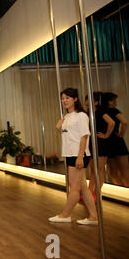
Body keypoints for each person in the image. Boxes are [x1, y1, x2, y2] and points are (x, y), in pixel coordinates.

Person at [49, 88, 98, 225]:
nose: (64, 100)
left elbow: (84, 137)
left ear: (75, 99)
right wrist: (59, 128)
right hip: (70, 154)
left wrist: (80, 156)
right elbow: (70, 137)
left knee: (74, 187)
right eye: (63, 98)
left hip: (78, 154)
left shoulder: (81, 116)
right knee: (82, 186)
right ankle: (93, 217)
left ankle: (65, 215)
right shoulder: (67, 117)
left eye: (67, 98)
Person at [85, 92, 115, 202]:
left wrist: (106, 135)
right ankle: (89, 193)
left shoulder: (101, 112)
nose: (87, 102)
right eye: (86, 99)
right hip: (92, 143)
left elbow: (111, 123)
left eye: (89, 99)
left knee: (99, 169)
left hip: (101, 143)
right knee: (93, 169)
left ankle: (96, 194)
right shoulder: (89, 113)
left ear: (96, 102)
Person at [102, 92, 129, 187]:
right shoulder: (114, 110)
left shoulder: (102, 112)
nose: (115, 102)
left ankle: (120, 189)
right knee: (124, 169)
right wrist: (121, 134)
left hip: (107, 141)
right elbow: (125, 123)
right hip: (117, 141)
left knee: (113, 170)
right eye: (114, 100)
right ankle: (127, 191)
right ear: (109, 101)